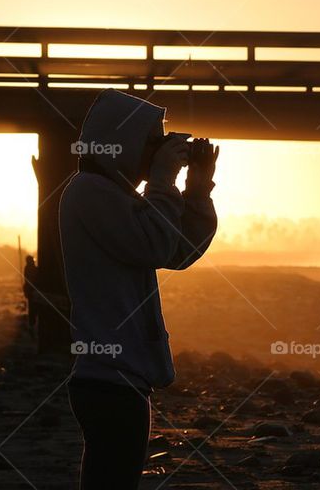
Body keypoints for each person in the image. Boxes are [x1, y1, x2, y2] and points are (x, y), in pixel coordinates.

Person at [59, 89, 218, 489]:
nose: (158, 150)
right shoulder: (89, 191)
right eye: (151, 141)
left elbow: (178, 251)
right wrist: (162, 180)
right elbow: (155, 245)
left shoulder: (114, 195)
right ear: (122, 139)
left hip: (120, 380)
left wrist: (197, 191)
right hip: (108, 381)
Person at [22, 255, 38, 338]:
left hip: (30, 292)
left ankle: (32, 325)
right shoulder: (30, 268)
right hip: (32, 292)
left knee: (32, 310)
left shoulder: (28, 268)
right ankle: (32, 326)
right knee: (33, 309)